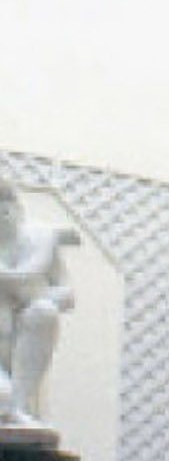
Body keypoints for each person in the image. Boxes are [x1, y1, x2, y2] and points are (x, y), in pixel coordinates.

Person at [0, 179, 78, 432]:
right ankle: (10, 405)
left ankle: (19, 407)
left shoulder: (38, 241)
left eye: (6, 211)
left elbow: (67, 295)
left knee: (44, 312)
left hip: (22, 340)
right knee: (2, 397)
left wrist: (32, 295)